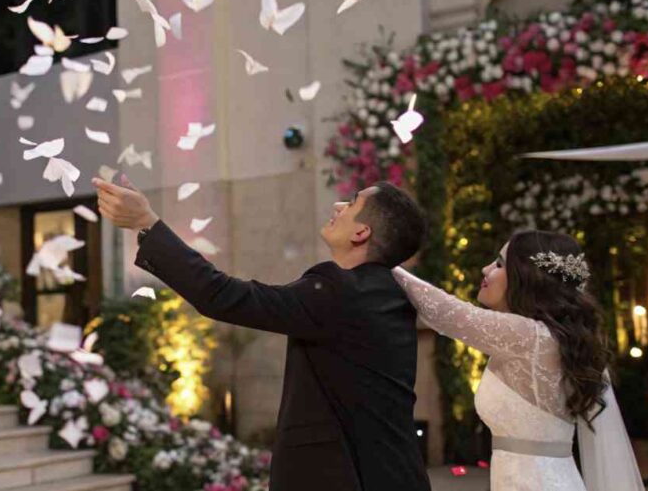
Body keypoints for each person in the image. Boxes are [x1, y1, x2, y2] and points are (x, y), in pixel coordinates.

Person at [93, 175, 431, 491]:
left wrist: (147, 224)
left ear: (362, 233)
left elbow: (222, 295)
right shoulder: (390, 296)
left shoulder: (338, 290)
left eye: (352, 203)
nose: (338, 206)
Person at [392, 230, 644, 491]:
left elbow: (446, 312)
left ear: (527, 277)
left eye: (499, 264)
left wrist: (382, 260)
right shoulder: (540, 337)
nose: (485, 269)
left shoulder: (531, 336)